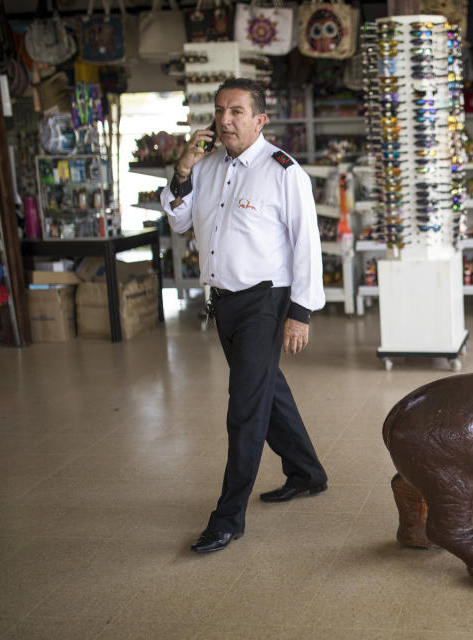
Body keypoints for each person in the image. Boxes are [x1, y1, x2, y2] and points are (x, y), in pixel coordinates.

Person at [160, 78, 329, 554]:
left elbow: (306, 245)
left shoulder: (283, 171)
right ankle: (307, 472)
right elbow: (177, 219)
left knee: (244, 410)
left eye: (237, 111)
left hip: (265, 302)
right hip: (223, 302)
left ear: (260, 120)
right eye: (219, 111)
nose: (225, 120)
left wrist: (300, 311)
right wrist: (184, 166)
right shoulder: (208, 167)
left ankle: (227, 517)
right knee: (267, 391)